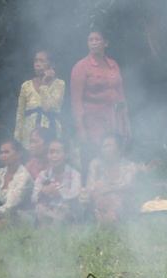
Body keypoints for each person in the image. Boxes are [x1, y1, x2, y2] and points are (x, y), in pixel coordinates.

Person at [71, 30, 129, 175]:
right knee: (97, 155)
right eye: (91, 40)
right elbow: (76, 101)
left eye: (97, 39)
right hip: (93, 121)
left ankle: (118, 189)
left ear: (105, 43)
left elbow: (121, 96)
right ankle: (95, 190)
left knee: (117, 154)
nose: (94, 42)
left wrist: (126, 124)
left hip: (114, 119)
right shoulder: (81, 67)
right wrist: (81, 129)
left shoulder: (113, 65)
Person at [14, 50, 66, 148]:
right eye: (36, 61)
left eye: (42, 61)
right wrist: (17, 136)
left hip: (50, 130)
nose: (38, 64)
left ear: (52, 64)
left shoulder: (59, 84)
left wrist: (44, 84)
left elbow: (48, 107)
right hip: (29, 132)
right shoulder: (26, 85)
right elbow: (20, 113)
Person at [82, 134, 136, 223]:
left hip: (122, 205)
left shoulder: (129, 166)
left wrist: (106, 189)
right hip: (99, 202)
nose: (104, 149)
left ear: (119, 149)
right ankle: (101, 218)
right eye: (103, 146)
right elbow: (90, 188)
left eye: (108, 145)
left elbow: (127, 187)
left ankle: (112, 220)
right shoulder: (95, 164)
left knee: (117, 199)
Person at [32, 139, 82, 225]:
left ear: (66, 155)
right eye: (51, 152)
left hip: (67, 214)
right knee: (39, 208)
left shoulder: (74, 175)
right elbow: (33, 196)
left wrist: (59, 192)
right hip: (47, 213)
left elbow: (75, 194)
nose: (54, 156)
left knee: (64, 211)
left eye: (58, 152)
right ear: (47, 155)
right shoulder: (43, 175)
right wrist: (43, 190)